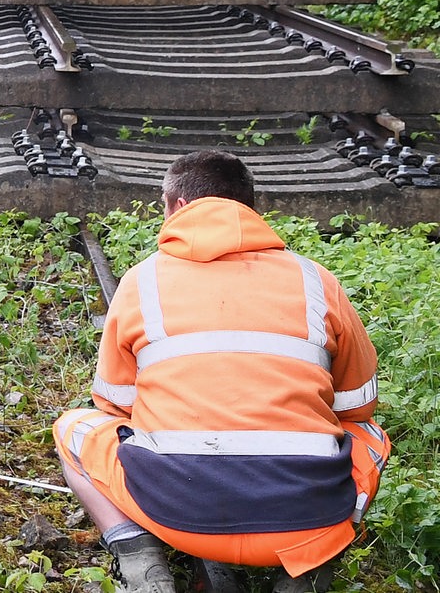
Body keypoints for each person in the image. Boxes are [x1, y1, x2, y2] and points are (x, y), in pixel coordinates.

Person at [53, 151, 388, 593]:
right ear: (252, 208)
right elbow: (357, 404)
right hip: (303, 516)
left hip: (174, 513)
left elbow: (117, 404)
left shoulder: (142, 280)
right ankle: (310, 564)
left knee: (73, 428)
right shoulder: (317, 280)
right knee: (373, 437)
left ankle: (138, 553)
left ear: (174, 205)